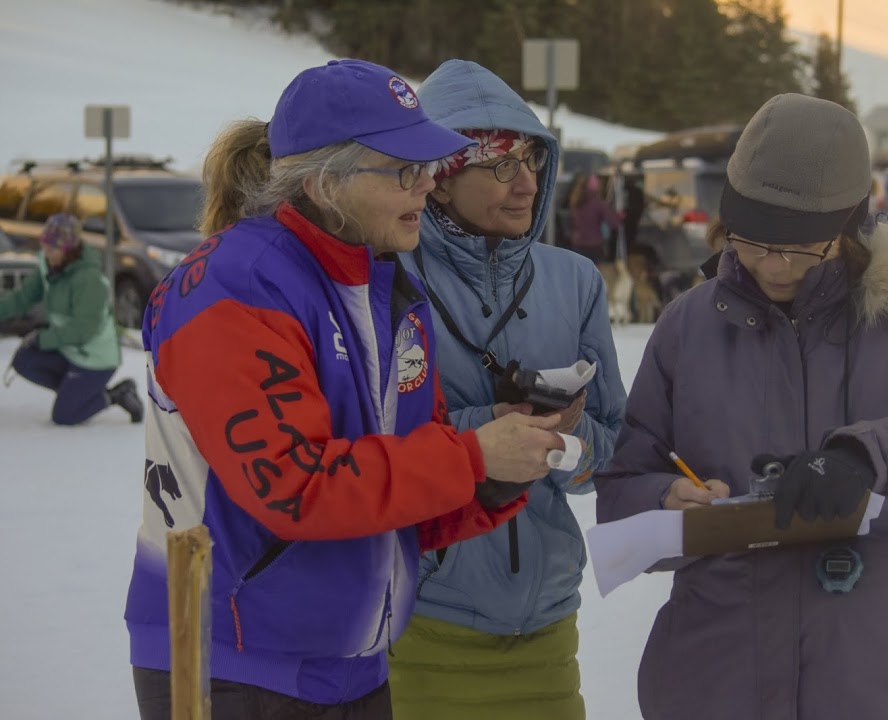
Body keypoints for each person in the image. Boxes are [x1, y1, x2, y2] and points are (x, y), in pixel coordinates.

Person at [124, 59, 568, 720]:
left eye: (431, 169)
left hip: (352, 665)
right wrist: (471, 457)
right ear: (329, 183)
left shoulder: (389, 292)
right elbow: (294, 485)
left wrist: (493, 476)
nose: (426, 188)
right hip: (231, 663)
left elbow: (395, 495)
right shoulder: (235, 287)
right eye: (405, 171)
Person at [595, 93, 888, 720]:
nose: (773, 266)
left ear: (850, 230)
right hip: (719, 682)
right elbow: (622, 488)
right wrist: (665, 501)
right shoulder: (688, 327)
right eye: (751, 242)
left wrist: (867, 457)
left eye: (801, 249)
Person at [388, 59, 627, 720]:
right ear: (438, 181)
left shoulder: (575, 282)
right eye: (499, 165)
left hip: (547, 628)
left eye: (530, 158)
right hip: (423, 623)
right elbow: (371, 452)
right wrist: (486, 431)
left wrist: (570, 436)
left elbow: (614, 452)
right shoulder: (387, 283)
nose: (527, 183)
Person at [0, 213, 143, 424]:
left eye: (52, 248)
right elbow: (22, 299)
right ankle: (76, 393)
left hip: (95, 357)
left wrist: (43, 338)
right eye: (45, 246)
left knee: (65, 416)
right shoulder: (49, 266)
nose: (46, 253)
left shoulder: (88, 279)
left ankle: (116, 395)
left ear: (68, 250)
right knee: (24, 359)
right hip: (68, 349)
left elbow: (83, 329)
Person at [569, 173, 622, 264]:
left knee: (579, 274)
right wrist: (618, 216)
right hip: (593, 246)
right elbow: (613, 223)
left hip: (577, 244)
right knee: (593, 274)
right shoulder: (598, 202)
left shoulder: (576, 200)